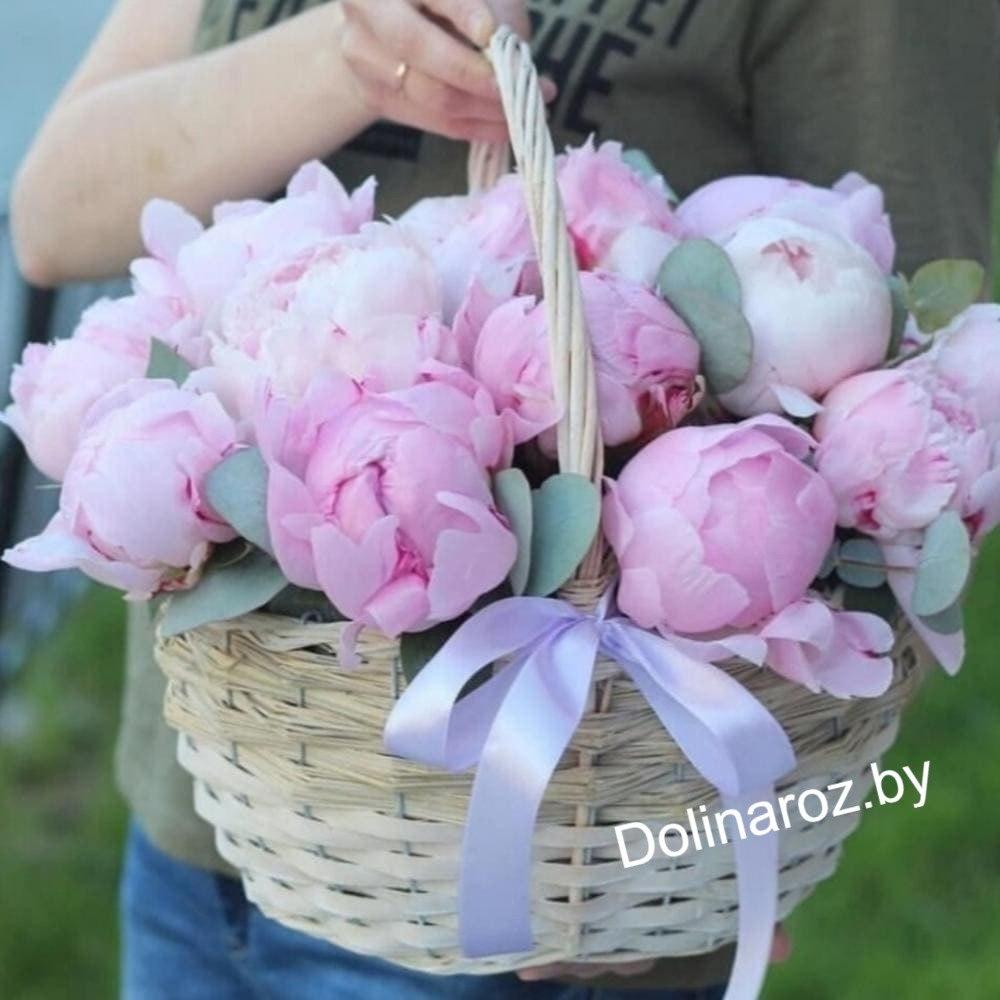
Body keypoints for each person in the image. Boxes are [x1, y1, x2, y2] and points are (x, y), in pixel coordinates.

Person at [9, 1, 1000, 998]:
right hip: (216, 819)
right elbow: (51, 219)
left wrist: (739, 829)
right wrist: (350, 53)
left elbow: (910, 414)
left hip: (542, 889)